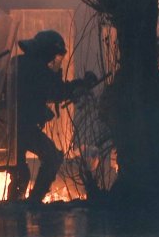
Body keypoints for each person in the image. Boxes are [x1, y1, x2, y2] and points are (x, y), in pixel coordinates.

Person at [8, 30, 96, 203]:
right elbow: (57, 91)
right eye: (52, 55)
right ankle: (32, 203)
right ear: (45, 52)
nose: (53, 60)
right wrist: (82, 85)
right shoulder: (37, 69)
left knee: (20, 172)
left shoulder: (20, 62)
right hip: (22, 127)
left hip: (12, 125)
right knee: (52, 157)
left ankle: (15, 206)